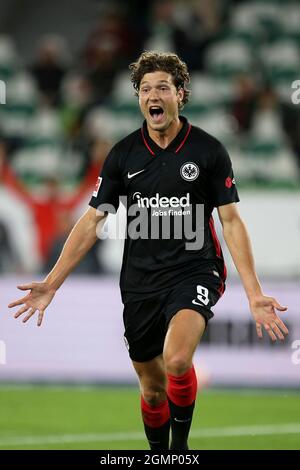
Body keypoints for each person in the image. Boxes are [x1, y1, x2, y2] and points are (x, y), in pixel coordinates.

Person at [8, 51, 289, 451]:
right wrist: (52, 283)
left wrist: (254, 293)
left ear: (180, 94)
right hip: (140, 281)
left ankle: (179, 451)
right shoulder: (124, 154)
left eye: (162, 87)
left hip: (195, 271)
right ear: (138, 99)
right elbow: (92, 221)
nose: (152, 95)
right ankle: (159, 454)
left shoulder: (208, 152)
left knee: (176, 361)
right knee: (153, 390)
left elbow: (231, 222)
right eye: (144, 89)